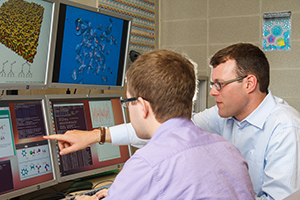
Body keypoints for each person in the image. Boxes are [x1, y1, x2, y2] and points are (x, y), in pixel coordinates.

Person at [44, 49, 255, 199]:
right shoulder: (228, 150)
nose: (127, 109)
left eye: (127, 102)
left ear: (143, 106)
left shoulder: (146, 164)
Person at [107, 43, 300, 200]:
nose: (212, 91)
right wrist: (100, 135)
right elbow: (169, 129)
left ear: (249, 83)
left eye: (220, 84)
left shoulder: (285, 126)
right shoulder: (224, 124)